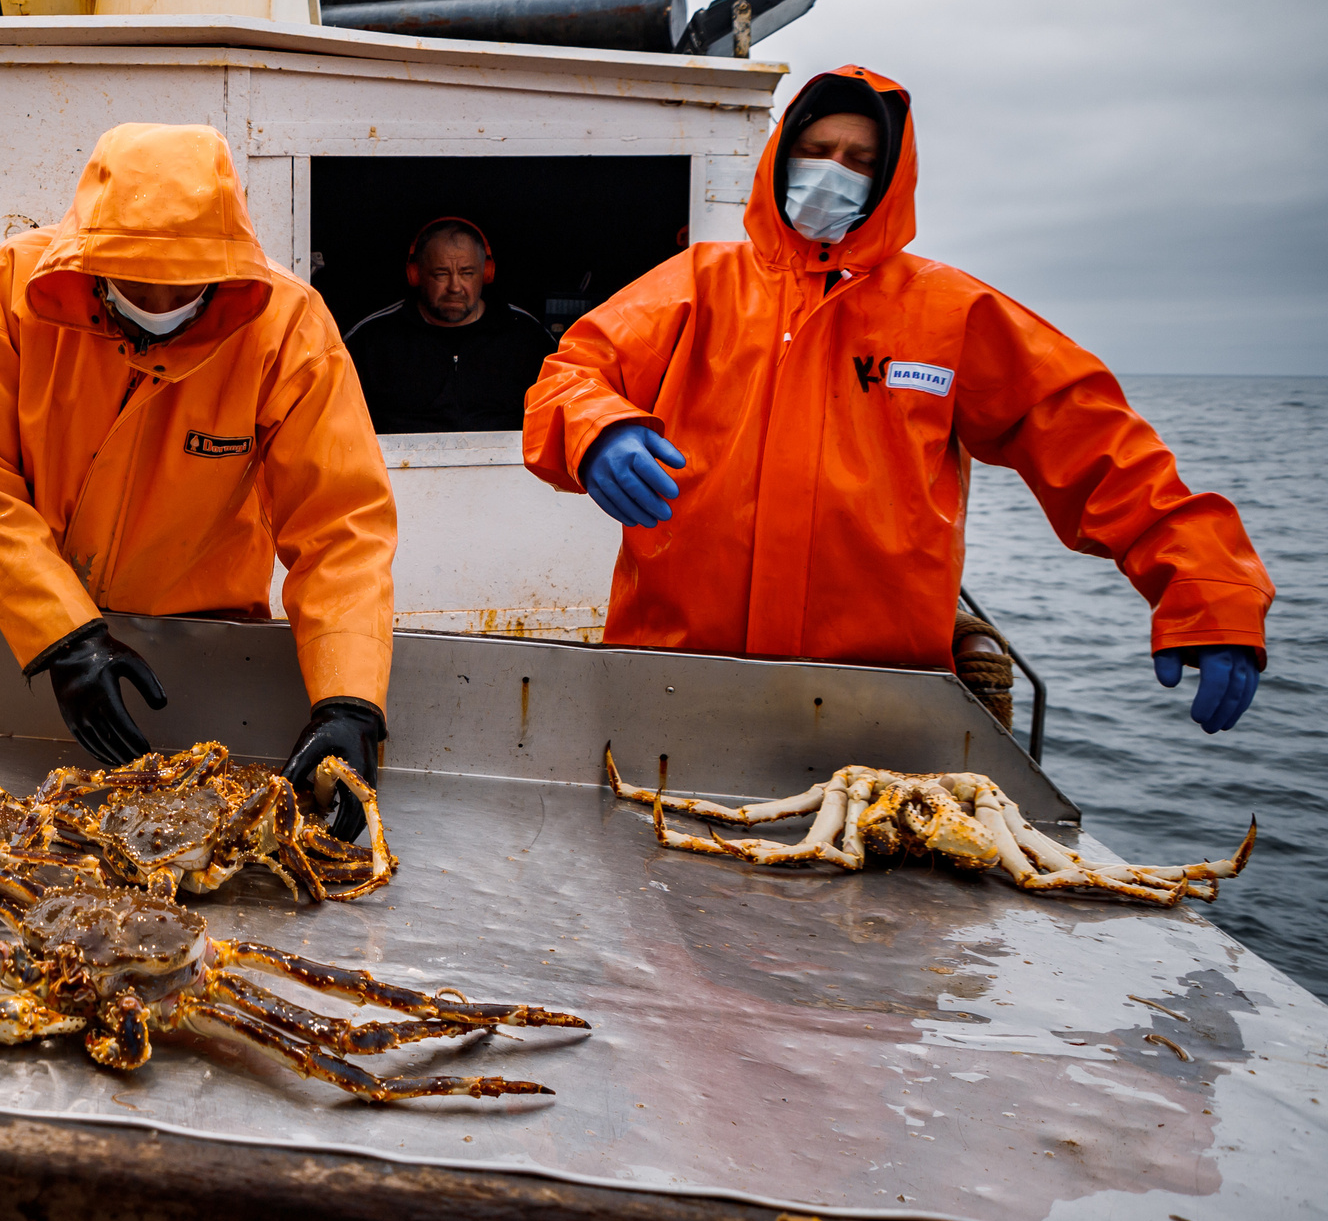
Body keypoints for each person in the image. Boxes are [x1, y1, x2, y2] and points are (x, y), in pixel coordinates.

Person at [524, 65, 1271, 732]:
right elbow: (568, 376)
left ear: (889, 181)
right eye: (817, 151)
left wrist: (1203, 583)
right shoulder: (697, 283)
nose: (833, 172)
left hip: (879, 707)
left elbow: (1088, 436)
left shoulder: (948, 312)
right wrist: (597, 431)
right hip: (670, 684)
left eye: (860, 160)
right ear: (782, 154)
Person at [0, 123, 399, 838]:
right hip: (9, 640)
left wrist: (348, 698)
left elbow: (341, 523)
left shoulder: (289, 327)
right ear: (91, 261)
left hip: (201, 650)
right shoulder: (12, 290)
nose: (157, 303)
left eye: (180, 287)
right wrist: (60, 633)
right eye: (134, 283)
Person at [344, 217, 554, 433]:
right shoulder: (371, 340)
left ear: (486, 273)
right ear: (416, 275)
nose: (455, 287)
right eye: (441, 274)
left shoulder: (527, 336)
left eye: (467, 273)